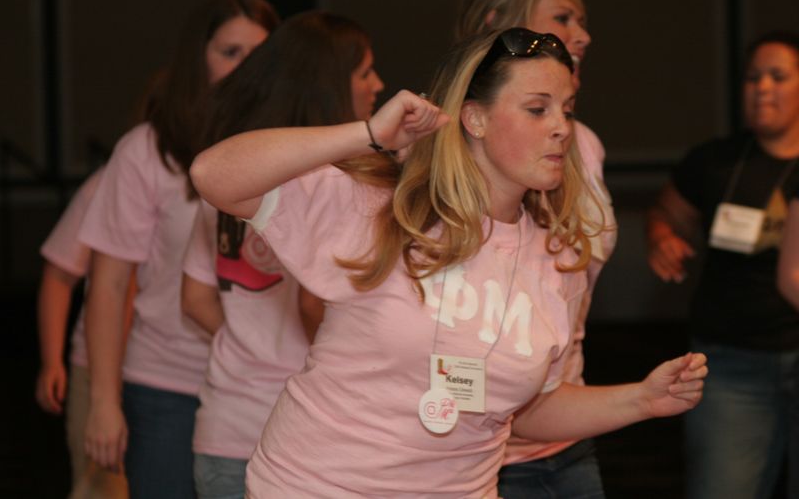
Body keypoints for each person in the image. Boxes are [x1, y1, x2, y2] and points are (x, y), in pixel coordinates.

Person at [191, 27, 706, 498]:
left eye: (566, 109)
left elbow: (528, 409)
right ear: (475, 118)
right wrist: (369, 133)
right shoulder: (382, 210)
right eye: (537, 109)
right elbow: (214, 175)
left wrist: (641, 399)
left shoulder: (557, 255)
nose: (561, 129)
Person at [77, 0, 278, 499]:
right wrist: (104, 399)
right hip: (168, 386)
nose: (244, 68)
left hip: (260, 389)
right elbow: (109, 282)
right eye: (230, 52)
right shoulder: (148, 151)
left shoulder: (287, 149)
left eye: (258, 55)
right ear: (199, 59)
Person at [181, 10, 384, 499]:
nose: (378, 85)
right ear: (329, 85)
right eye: (365, 73)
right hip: (309, 439)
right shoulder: (337, 184)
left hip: (225, 426)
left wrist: (251, 346)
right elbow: (314, 307)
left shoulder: (238, 172)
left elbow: (195, 299)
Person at [455, 0, 616, 496]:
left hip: (567, 429)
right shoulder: (454, 151)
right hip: (479, 447)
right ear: (499, 26)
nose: (583, 34)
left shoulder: (583, 144)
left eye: (583, 21)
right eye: (562, 19)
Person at [648, 30, 799, 499]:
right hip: (732, 363)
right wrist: (662, 238)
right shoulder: (715, 162)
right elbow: (665, 215)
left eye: (778, 76)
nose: (763, 88)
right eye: (753, 78)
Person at [36, 167, 132, 498]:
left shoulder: (215, 177)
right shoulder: (108, 185)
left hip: (178, 373)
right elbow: (59, 275)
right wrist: (52, 361)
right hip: (97, 367)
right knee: (102, 487)